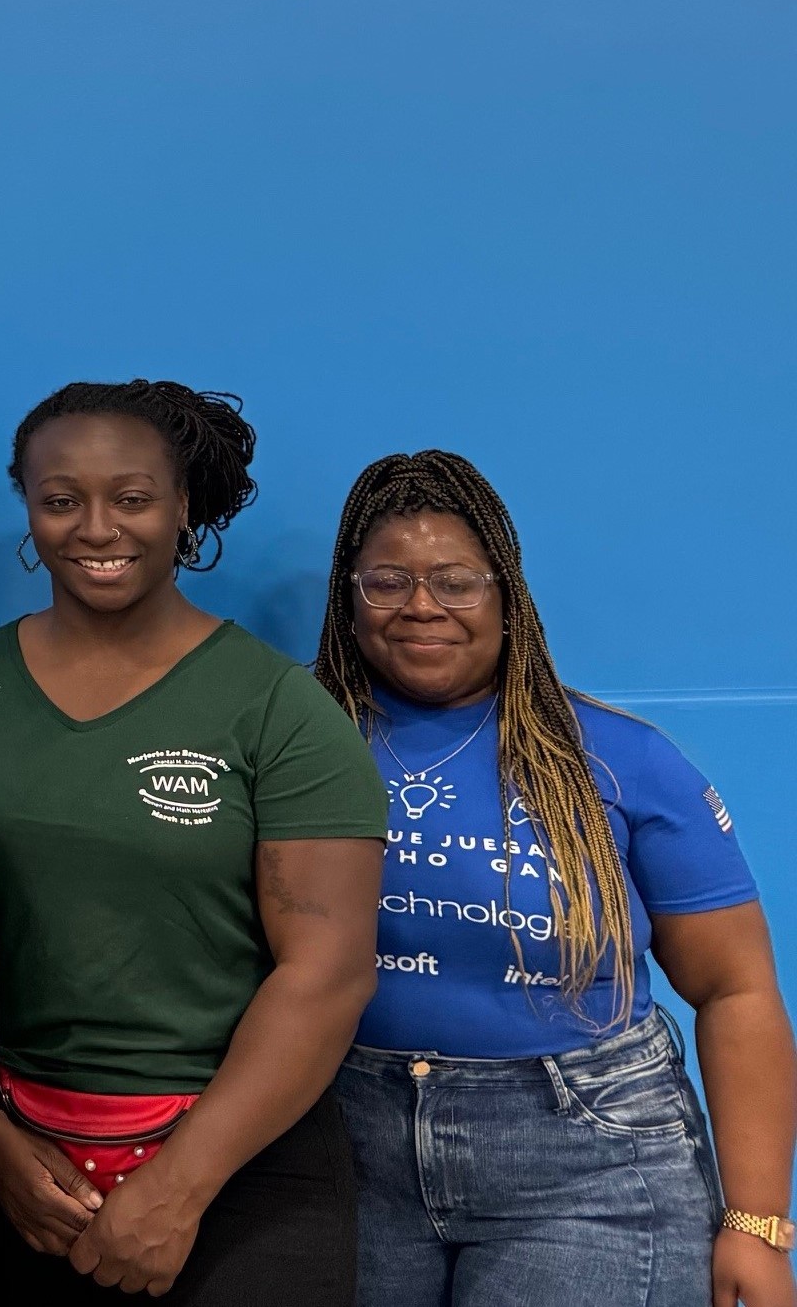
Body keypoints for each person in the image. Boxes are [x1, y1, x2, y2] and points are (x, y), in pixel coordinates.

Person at [0, 380, 384, 1305]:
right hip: (26, 1171)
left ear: (184, 507)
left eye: (131, 498)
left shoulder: (278, 709)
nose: (95, 528)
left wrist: (177, 1189)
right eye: (59, 501)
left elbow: (327, 976)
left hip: (243, 1170)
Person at [313, 451, 796, 1307]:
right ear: (348, 598)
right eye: (387, 580)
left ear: (508, 595)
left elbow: (737, 989)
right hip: (343, 1152)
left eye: (456, 581)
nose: (422, 606)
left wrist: (757, 1224)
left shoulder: (618, 760)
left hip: (587, 1164)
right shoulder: (292, 746)